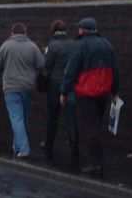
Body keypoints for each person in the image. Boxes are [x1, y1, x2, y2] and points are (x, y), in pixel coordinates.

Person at [61, 17, 119, 178]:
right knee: (97, 124)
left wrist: (64, 92)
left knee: (90, 128)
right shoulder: (107, 45)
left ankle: (96, 163)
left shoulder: (80, 46)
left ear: (83, 30)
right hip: (104, 92)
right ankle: (97, 161)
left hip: (87, 92)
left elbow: (70, 71)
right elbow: (115, 69)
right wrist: (114, 91)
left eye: (79, 28)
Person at [0, 22, 45, 159]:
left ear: (12, 33)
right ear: (25, 32)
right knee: (24, 118)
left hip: (11, 87)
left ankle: (24, 149)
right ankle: (17, 145)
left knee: (16, 118)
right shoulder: (32, 46)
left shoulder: (6, 46)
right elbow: (41, 65)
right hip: (28, 87)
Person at [42, 20, 78, 166]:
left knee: (53, 116)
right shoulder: (74, 45)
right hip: (71, 83)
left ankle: (48, 145)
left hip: (55, 84)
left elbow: (47, 65)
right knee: (71, 116)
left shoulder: (52, 45)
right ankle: (74, 147)